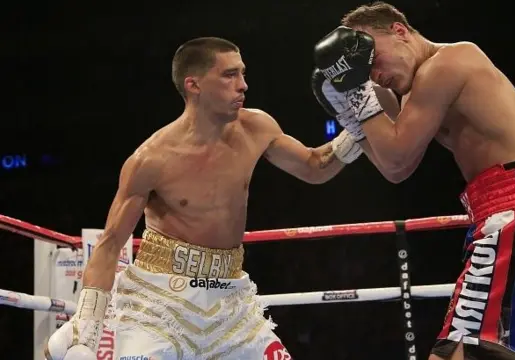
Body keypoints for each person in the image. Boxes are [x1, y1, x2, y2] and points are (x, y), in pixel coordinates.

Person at [44, 36, 389, 360]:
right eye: (229, 75)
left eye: (242, 73)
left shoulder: (256, 127)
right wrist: (87, 326)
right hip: (158, 304)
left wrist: (359, 121)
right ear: (194, 85)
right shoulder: (151, 159)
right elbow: (109, 244)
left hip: (231, 302)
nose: (243, 85)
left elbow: (316, 167)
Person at [310, 2, 515, 359]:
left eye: (372, 59)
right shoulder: (417, 90)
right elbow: (395, 170)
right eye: (364, 69)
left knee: (452, 354)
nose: (372, 73)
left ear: (400, 31)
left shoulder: (449, 63)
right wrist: (352, 112)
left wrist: (356, 92)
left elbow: (395, 155)